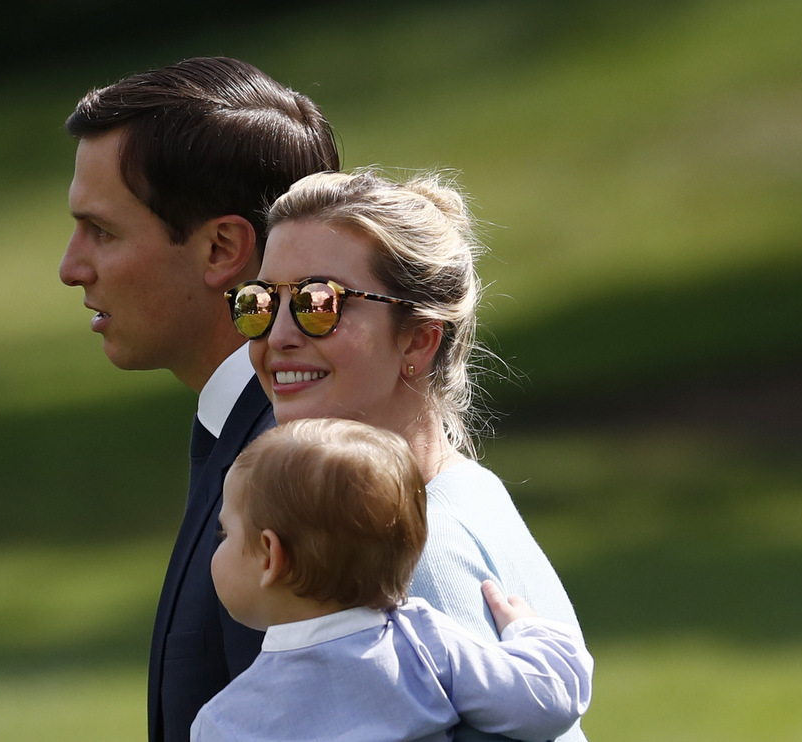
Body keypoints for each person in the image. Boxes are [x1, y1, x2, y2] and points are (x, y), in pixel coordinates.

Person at [227, 168, 592, 741]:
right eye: (260, 302)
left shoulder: (403, 556)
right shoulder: (465, 489)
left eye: (318, 303)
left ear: (418, 339)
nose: (276, 336)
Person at [59, 57, 340, 742]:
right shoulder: (252, 433)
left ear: (221, 249)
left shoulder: (292, 473)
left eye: (103, 231)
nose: (72, 267)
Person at [192, 418, 592, 742]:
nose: (218, 545)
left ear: (270, 556)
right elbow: (549, 698)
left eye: (225, 534)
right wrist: (531, 633)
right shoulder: (422, 643)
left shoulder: (226, 723)